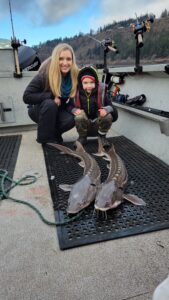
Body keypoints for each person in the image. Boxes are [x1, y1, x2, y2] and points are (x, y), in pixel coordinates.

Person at [23, 43, 79, 144]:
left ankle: (54, 134)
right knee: (50, 103)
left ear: (72, 61)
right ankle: (45, 139)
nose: (65, 63)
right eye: (60, 59)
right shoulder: (44, 75)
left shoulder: (74, 77)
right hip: (39, 109)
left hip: (58, 109)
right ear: (55, 59)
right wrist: (51, 96)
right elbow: (27, 97)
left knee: (74, 117)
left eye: (68, 59)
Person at [73, 66, 118, 148]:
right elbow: (70, 107)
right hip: (85, 127)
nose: (89, 85)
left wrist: (107, 110)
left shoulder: (102, 93)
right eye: (85, 83)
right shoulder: (76, 93)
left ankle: (101, 137)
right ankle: (82, 138)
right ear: (81, 83)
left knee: (107, 116)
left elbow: (113, 109)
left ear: (96, 82)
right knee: (79, 116)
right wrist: (74, 110)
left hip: (98, 126)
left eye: (91, 82)